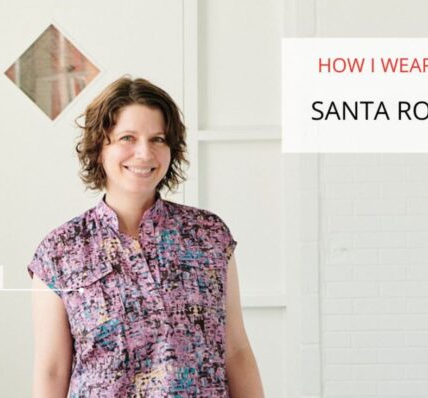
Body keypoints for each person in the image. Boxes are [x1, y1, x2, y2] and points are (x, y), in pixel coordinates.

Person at [28, 76, 264, 397]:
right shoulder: (59, 251)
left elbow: (236, 351)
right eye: (128, 137)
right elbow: (52, 369)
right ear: (100, 145)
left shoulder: (209, 236)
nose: (144, 153)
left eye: (158, 139)